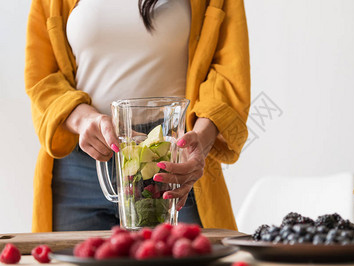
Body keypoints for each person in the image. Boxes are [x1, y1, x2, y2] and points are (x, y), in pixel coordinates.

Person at [24, 0, 251, 232]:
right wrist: (84, 119)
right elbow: (42, 78)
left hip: (174, 162)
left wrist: (199, 142)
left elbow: (229, 74)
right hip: (80, 166)